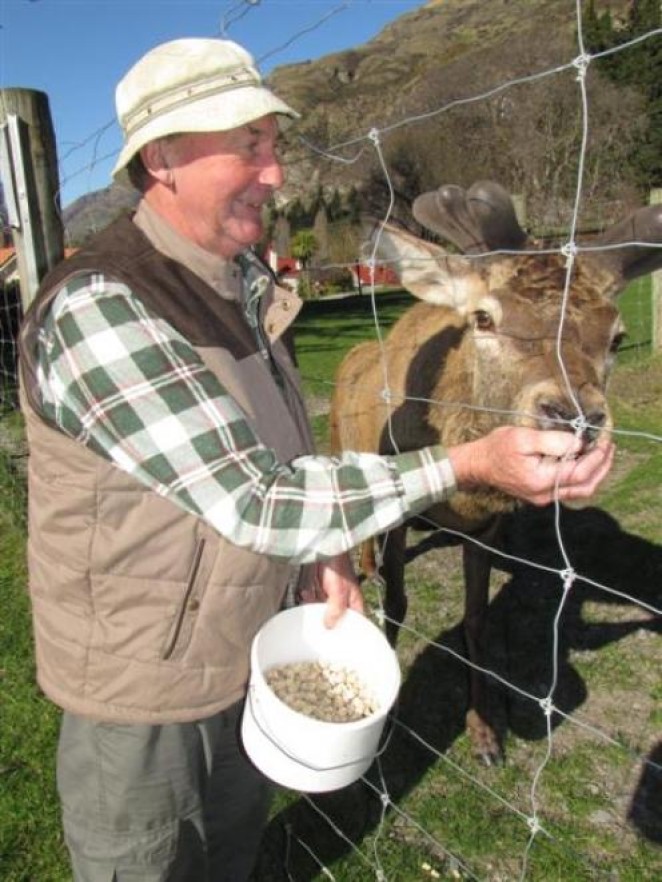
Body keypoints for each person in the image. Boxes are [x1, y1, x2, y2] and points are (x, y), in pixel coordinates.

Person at [18, 38, 614, 882]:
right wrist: (467, 463)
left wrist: (324, 550)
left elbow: (283, 454)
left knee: (232, 858)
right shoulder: (102, 308)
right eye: (248, 147)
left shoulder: (244, 287)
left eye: (277, 146)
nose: (276, 175)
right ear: (163, 158)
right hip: (143, 697)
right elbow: (258, 498)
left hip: (253, 651)